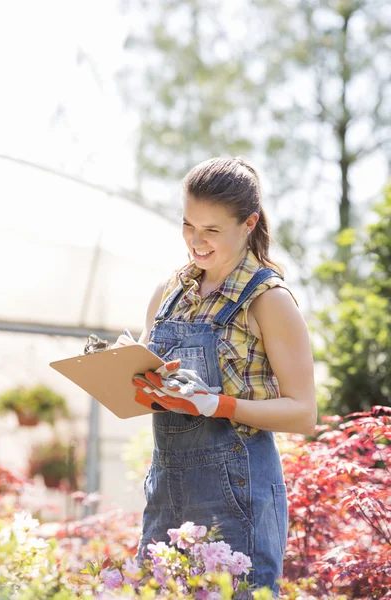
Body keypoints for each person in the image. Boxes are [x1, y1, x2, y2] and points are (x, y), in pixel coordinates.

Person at [115, 156, 317, 598]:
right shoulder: (169, 293)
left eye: (211, 230)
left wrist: (217, 404)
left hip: (238, 493)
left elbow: (304, 413)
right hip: (167, 487)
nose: (196, 241)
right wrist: (125, 376)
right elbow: (148, 394)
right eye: (188, 225)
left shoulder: (268, 300)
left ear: (248, 223)